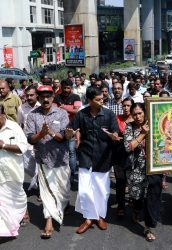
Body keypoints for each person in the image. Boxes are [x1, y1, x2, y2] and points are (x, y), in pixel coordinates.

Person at [66, 87, 119, 234]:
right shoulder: (81, 114)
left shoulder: (108, 114)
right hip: (85, 156)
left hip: (103, 158)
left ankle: (100, 216)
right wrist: (70, 133)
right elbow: (70, 129)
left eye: (102, 98)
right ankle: (89, 218)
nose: (101, 101)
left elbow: (116, 131)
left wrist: (114, 136)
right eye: (98, 99)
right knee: (84, 190)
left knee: (102, 190)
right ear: (89, 101)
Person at [25, 85, 71, 239]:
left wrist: (50, 132)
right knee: (46, 193)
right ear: (38, 98)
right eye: (42, 96)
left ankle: (62, 207)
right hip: (43, 160)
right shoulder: (32, 115)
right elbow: (30, 139)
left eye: (48, 96)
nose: (45, 99)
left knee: (63, 192)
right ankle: (49, 221)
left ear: (53, 97)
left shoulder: (62, 113)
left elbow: (64, 137)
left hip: (61, 159)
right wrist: (41, 134)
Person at [124, 103, 162, 241]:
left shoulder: (155, 123)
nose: (137, 116)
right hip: (135, 168)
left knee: (151, 196)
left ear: (145, 113)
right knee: (136, 195)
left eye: (140, 113)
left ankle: (148, 227)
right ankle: (136, 208)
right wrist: (143, 134)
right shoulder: (129, 127)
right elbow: (129, 147)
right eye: (134, 114)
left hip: (153, 167)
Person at [0, 104, 28, 237]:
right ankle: (5, 227)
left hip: (13, 170)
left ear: (3, 114)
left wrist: (4, 146)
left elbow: (23, 147)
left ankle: (23, 212)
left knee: (18, 196)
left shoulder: (14, 127)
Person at [53, 79, 82, 182]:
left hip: (72, 128)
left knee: (71, 152)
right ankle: (60, 174)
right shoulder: (57, 97)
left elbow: (77, 110)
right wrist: (68, 109)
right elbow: (55, 111)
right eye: (64, 88)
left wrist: (63, 108)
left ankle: (72, 175)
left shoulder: (76, 97)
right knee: (59, 152)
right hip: (59, 128)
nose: (66, 90)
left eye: (68, 88)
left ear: (71, 88)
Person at [17, 85, 41, 191]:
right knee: (28, 165)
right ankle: (35, 180)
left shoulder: (42, 106)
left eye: (32, 95)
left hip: (41, 141)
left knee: (41, 166)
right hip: (27, 141)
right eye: (27, 95)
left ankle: (42, 189)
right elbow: (19, 124)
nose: (29, 97)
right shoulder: (21, 108)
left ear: (36, 95)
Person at [113, 97, 134, 217]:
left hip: (133, 155)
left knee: (132, 180)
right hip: (119, 154)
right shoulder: (117, 118)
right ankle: (121, 206)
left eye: (128, 106)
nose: (126, 108)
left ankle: (132, 200)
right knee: (120, 181)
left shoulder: (137, 119)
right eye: (124, 106)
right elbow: (114, 132)